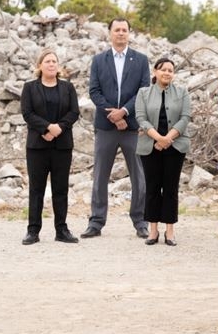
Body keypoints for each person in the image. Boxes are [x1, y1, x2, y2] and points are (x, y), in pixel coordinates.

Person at [82, 18, 150, 239]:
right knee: (101, 174)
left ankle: (140, 221)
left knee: (138, 176)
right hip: (106, 126)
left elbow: (144, 90)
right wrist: (113, 115)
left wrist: (125, 112)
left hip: (132, 127)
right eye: (116, 30)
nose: (121, 33)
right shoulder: (99, 60)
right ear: (109, 33)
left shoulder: (140, 60)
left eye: (124, 30)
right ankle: (96, 222)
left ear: (130, 33)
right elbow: (94, 91)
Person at [20, 49, 81, 245]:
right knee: (36, 189)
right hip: (37, 146)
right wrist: (46, 128)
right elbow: (27, 113)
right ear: (40, 66)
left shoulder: (67, 88)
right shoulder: (29, 88)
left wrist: (58, 128)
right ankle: (33, 230)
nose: (51, 64)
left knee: (60, 188)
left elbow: (74, 112)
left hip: (62, 146)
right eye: (47, 61)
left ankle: (61, 230)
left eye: (54, 61)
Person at [135, 58, 191, 247]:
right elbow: (141, 118)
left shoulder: (182, 93)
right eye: (163, 69)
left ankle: (170, 231)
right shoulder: (143, 93)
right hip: (150, 146)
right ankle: (152, 230)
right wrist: (158, 138)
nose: (167, 73)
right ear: (155, 72)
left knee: (170, 188)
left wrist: (168, 139)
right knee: (152, 187)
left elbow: (185, 118)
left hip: (175, 146)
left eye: (170, 70)